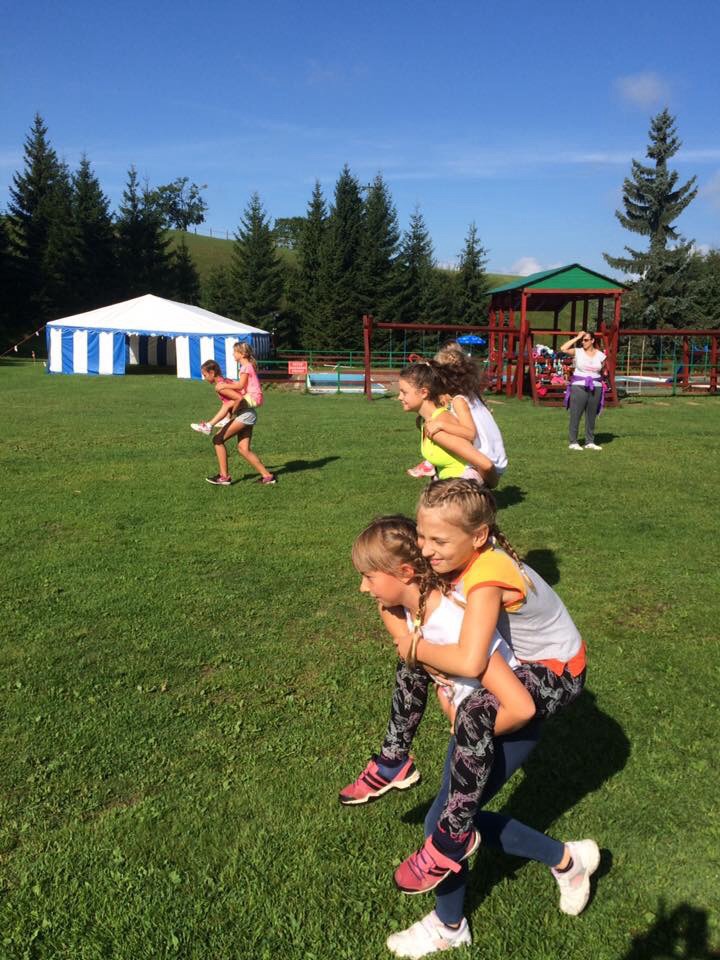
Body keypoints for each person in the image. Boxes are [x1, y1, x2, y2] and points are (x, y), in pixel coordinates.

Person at [383, 479, 597, 955]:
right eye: (422, 535)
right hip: (512, 677)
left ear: (478, 536)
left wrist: (416, 652)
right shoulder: (463, 559)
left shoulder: (488, 572)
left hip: (554, 676)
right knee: (456, 812)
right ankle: (567, 861)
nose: (426, 549)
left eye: (438, 540)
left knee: (446, 820)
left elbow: (471, 657)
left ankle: (449, 925)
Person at [340, 515, 535, 807]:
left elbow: (521, 707)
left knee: (446, 822)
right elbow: (388, 612)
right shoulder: (413, 606)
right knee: (447, 819)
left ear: (406, 572)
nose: (363, 588)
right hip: (470, 717)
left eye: (369, 577)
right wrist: (412, 649)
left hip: (504, 727)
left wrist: (460, 723)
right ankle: (393, 761)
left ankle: (569, 854)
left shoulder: (451, 624)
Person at [407, 345, 508, 483]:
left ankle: (431, 463)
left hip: (486, 461)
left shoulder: (459, 401)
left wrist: (441, 424)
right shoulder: (472, 395)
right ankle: (431, 463)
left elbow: (470, 434)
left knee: (441, 427)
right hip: (497, 458)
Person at [198, 358, 276, 487]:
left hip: (244, 415)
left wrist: (232, 414)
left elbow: (238, 399)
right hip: (248, 414)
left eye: (205, 375)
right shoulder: (226, 381)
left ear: (212, 373)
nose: (204, 378)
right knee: (243, 449)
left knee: (217, 440)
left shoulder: (220, 386)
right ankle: (268, 476)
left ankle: (224, 477)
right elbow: (230, 403)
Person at [560, 331, 608, 451]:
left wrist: (603, 377)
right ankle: (573, 442)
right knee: (576, 414)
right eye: (582, 340)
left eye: (586, 340)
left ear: (592, 341)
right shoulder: (578, 351)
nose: (583, 342)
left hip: (596, 387)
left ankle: (589, 441)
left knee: (591, 415)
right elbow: (563, 348)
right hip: (579, 386)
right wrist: (578, 337)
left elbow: (603, 370)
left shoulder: (600, 355)